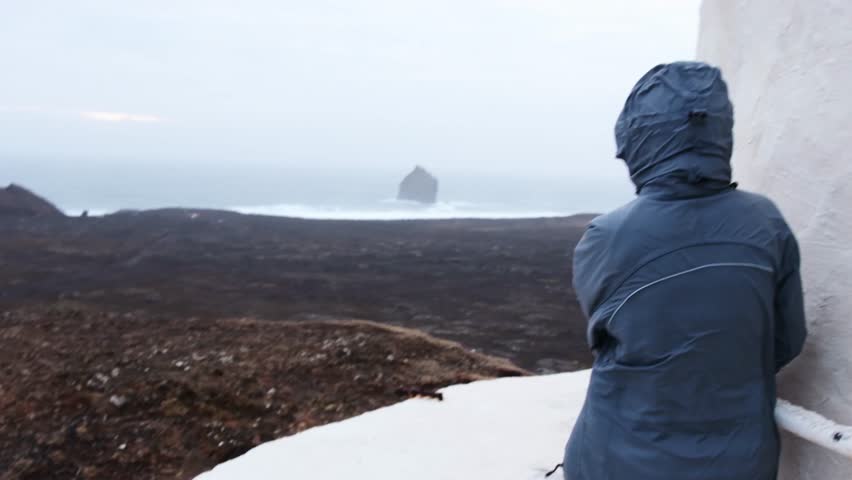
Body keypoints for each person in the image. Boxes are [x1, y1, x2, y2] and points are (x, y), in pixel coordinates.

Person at [562, 62, 807, 479]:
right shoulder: (766, 223)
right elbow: (787, 338)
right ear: (719, 132)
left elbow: (604, 334)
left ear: (639, 136)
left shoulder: (606, 236)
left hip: (616, 456)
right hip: (740, 459)